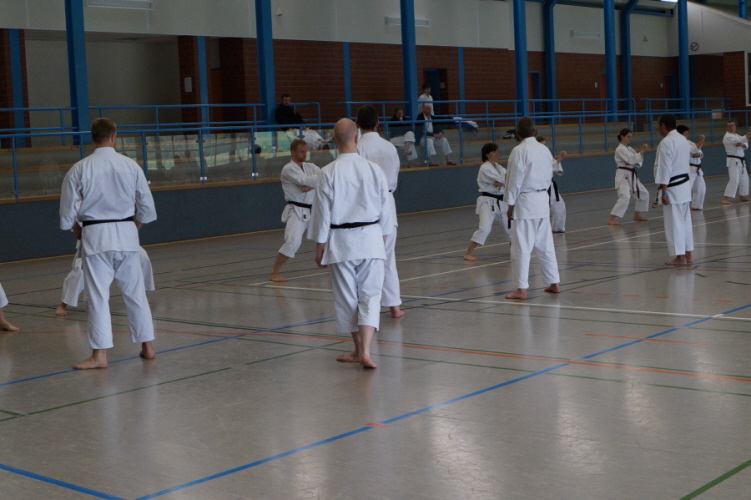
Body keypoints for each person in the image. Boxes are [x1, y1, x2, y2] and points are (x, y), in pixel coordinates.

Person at [59, 118, 157, 369]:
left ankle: (99, 355)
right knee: (136, 294)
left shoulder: (79, 169)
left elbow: (67, 213)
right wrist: (132, 228)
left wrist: (78, 231)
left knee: (98, 297)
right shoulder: (131, 166)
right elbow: (147, 209)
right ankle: (147, 347)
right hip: (127, 234)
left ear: (93, 138)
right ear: (114, 137)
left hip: (95, 235)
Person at [308, 118, 394, 369]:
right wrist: (382, 242)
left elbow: (321, 214)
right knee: (371, 296)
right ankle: (366, 351)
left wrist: (319, 247)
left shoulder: (327, 172)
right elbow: (386, 212)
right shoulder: (374, 170)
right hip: (371, 239)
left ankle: (358, 350)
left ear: (334, 140)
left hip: (341, 242)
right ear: (357, 138)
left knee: (347, 298)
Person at [504, 117, 561, 300]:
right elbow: (552, 171)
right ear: (534, 132)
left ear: (517, 134)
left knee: (521, 246)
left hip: (526, 201)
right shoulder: (544, 149)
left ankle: (521, 289)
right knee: (546, 245)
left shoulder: (519, 151)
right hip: (542, 200)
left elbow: (514, 179)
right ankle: (554, 282)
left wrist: (510, 204)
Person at [356, 105, 404, 319]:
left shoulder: (357, 148)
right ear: (378, 123)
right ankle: (394, 306)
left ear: (357, 124)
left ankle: (368, 307)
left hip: (364, 204)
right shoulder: (389, 147)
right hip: (387, 201)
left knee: (364, 258)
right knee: (387, 257)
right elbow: (394, 176)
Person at [270, 139, 321, 282]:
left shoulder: (310, 166)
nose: (305, 154)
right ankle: (274, 273)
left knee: (326, 235)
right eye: (301, 152)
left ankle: (332, 264)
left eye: (306, 151)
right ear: (293, 152)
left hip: (312, 210)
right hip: (297, 210)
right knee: (292, 242)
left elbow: (322, 177)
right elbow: (304, 180)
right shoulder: (288, 169)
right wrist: (311, 183)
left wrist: (311, 185)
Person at [55, 244, 155, 317]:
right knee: (81, 270)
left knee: (143, 258)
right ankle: (63, 304)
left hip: (120, 238)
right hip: (95, 240)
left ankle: (141, 294)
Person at [655, 114, 693, 266]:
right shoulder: (683, 139)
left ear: (663, 125)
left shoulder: (666, 142)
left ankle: (680, 257)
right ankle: (688, 253)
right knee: (685, 221)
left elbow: (665, 167)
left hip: (673, 187)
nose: (658, 129)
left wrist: (664, 190)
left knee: (674, 223)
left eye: (659, 126)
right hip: (685, 185)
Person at [464, 142, 511, 262]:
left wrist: (501, 183)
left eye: (497, 151)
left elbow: (507, 177)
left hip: (501, 202)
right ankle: (468, 253)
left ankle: (515, 251)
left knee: (510, 227)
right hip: (488, 202)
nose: (496, 153)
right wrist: (500, 182)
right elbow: (501, 179)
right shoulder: (485, 168)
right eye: (494, 151)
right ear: (487, 154)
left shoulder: (498, 167)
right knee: (484, 229)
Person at [608, 129, 650, 226]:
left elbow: (636, 161)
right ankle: (611, 219)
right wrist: (642, 151)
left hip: (632, 175)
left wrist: (634, 160)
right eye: (628, 136)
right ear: (622, 136)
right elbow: (631, 160)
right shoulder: (619, 149)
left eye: (631, 136)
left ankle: (637, 215)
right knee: (625, 197)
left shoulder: (630, 149)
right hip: (623, 176)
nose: (630, 138)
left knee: (644, 194)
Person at [537, 136, 567, 233]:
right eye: (542, 144)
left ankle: (558, 227)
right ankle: (539, 230)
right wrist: (559, 159)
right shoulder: (533, 156)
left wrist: (560, 158)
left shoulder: (546, 153)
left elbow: (554, 165)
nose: (544, 146)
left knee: (560, 206)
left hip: (550, 185)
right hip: (539, 186)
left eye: (544, 144)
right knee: (540, 209)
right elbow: (549, 166)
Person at [676, 125, 706, 211]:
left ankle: (696, 206)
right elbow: (694, 150)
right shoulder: (680, 143)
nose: (687, 135)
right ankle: (681, 207)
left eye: (687, 133)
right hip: (689, 168)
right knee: (687, 189)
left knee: (701, 188)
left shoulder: (690, 142)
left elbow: (700, 153)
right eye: (685, 133)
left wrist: (699, 153)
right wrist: (701, 140)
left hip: (697, 169)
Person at [721, 120, 750, 205]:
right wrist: (749, 134)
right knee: (734, 179)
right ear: (726, 128)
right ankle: (725, 198)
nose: (731, 127)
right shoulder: (728, 136)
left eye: (733, 126)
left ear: (735, 127)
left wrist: (743, 144)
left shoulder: (737, 135)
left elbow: (745, 143)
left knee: (744, 178)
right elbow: (742, 140)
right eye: (729, 126)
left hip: (741, 160)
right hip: (733, 160)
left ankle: (742, 196)